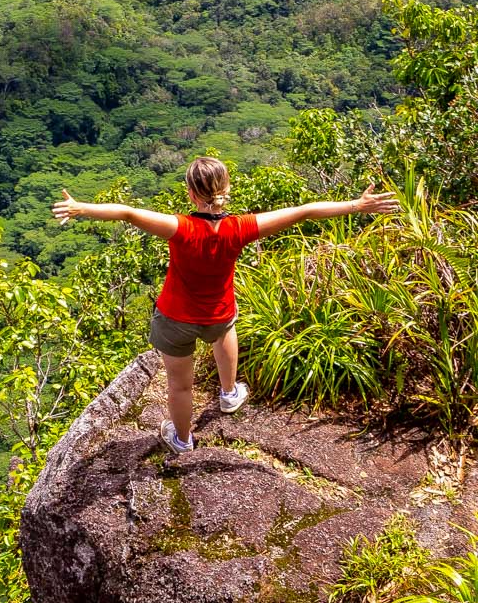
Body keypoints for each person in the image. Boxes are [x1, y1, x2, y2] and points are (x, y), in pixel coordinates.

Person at [52, 157, 399, 455]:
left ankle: (182, 440)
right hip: (218, 314)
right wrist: (357, 205)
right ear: (225, 188)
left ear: (191, 193)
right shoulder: (241, 228)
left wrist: (82, 208)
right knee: (226, 331)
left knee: (180, 386)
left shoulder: (181, 228)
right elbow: (305, 212)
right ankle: (230, 394)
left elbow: (127, 213)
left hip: (174, 318)